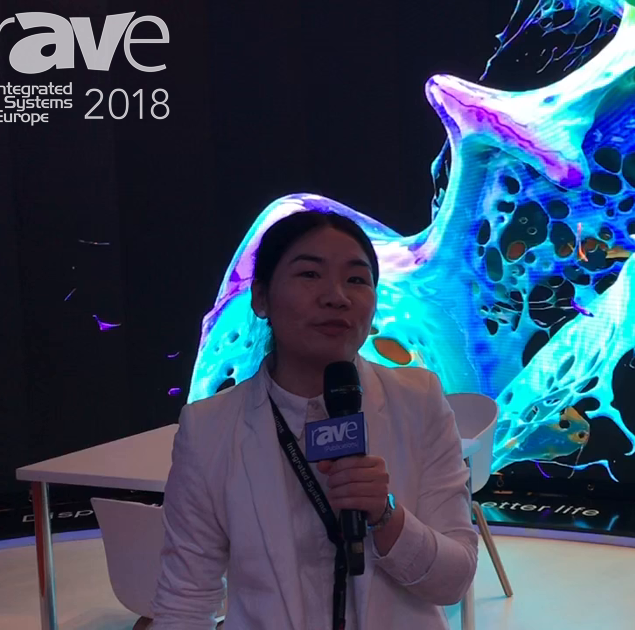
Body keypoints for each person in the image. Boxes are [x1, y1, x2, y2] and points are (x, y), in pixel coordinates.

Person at [151, 210, 478, 629]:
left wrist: (386, 516)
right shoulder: (209, 428)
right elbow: (184, 602)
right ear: (261, 298)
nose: (336, 296)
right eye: (309, 274)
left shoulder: (418, 401)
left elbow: (454, 581)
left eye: (356, 279)